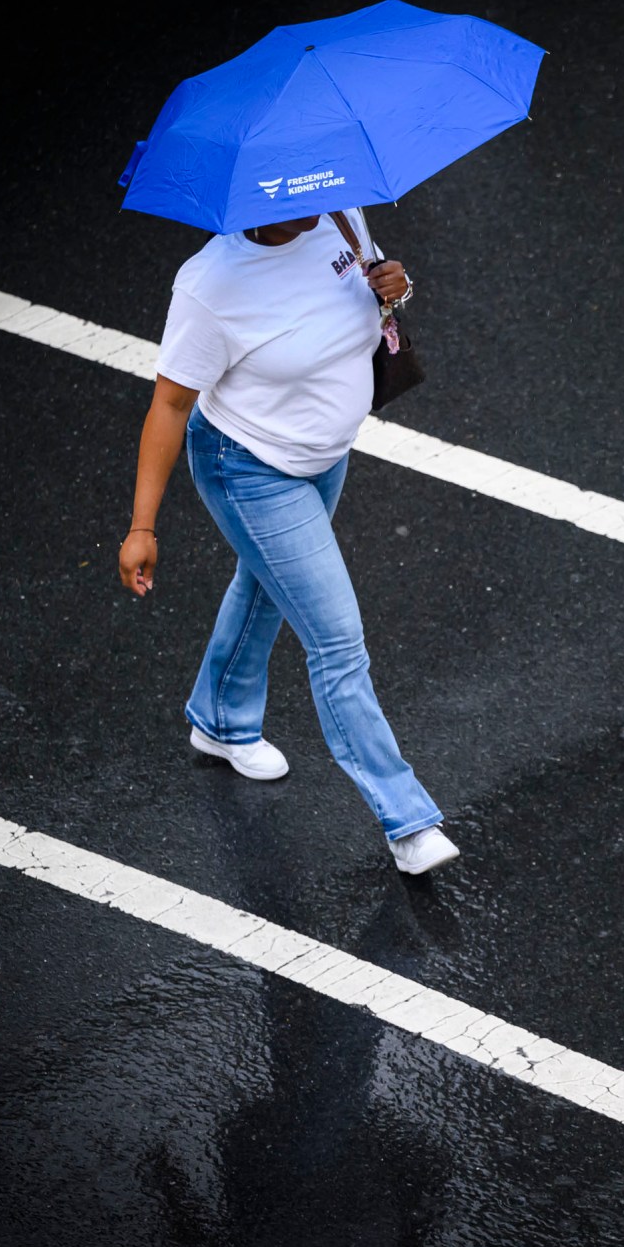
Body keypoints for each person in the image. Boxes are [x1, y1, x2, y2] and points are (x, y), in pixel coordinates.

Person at [117, 208, 459, 875]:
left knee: (268, 585)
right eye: (289, 198)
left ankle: (218, 719)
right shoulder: (210, 285)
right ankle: (408, 821)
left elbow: (369, 298)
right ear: (248, 200)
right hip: (248, 468)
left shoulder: (338, 211)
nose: (310, 203)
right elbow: (169, 404)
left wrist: (395, 286)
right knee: (336, 641)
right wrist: (141, 527)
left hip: (323, 452)